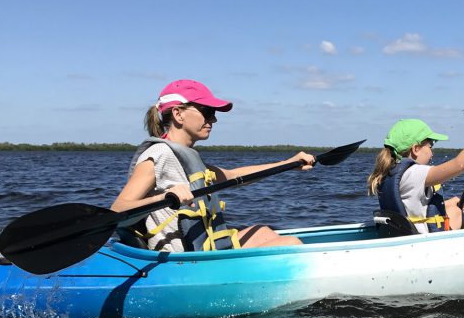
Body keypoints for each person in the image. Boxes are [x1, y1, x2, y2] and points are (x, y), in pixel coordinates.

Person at [111, 79, 315, 251]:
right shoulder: (158, 155)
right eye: (207, 111)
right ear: (178, 114)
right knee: (290, 244)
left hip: (206, 248)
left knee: (263, 231)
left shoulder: (187, 156)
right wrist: (165, 197)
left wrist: (288, 163)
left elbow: (233, 176)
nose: (214, 119)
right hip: (182, 261)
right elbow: (118, 211)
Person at [366, 101, 464, 233]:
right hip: (423, 245)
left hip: (407, 235)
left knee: (454, 210)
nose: (432, 152)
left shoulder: (391, 171)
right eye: (430, 146)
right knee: (458, 213)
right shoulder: (414, 173)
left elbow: (413, 209)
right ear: (415, 149)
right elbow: (462, 164)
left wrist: (447, 203)